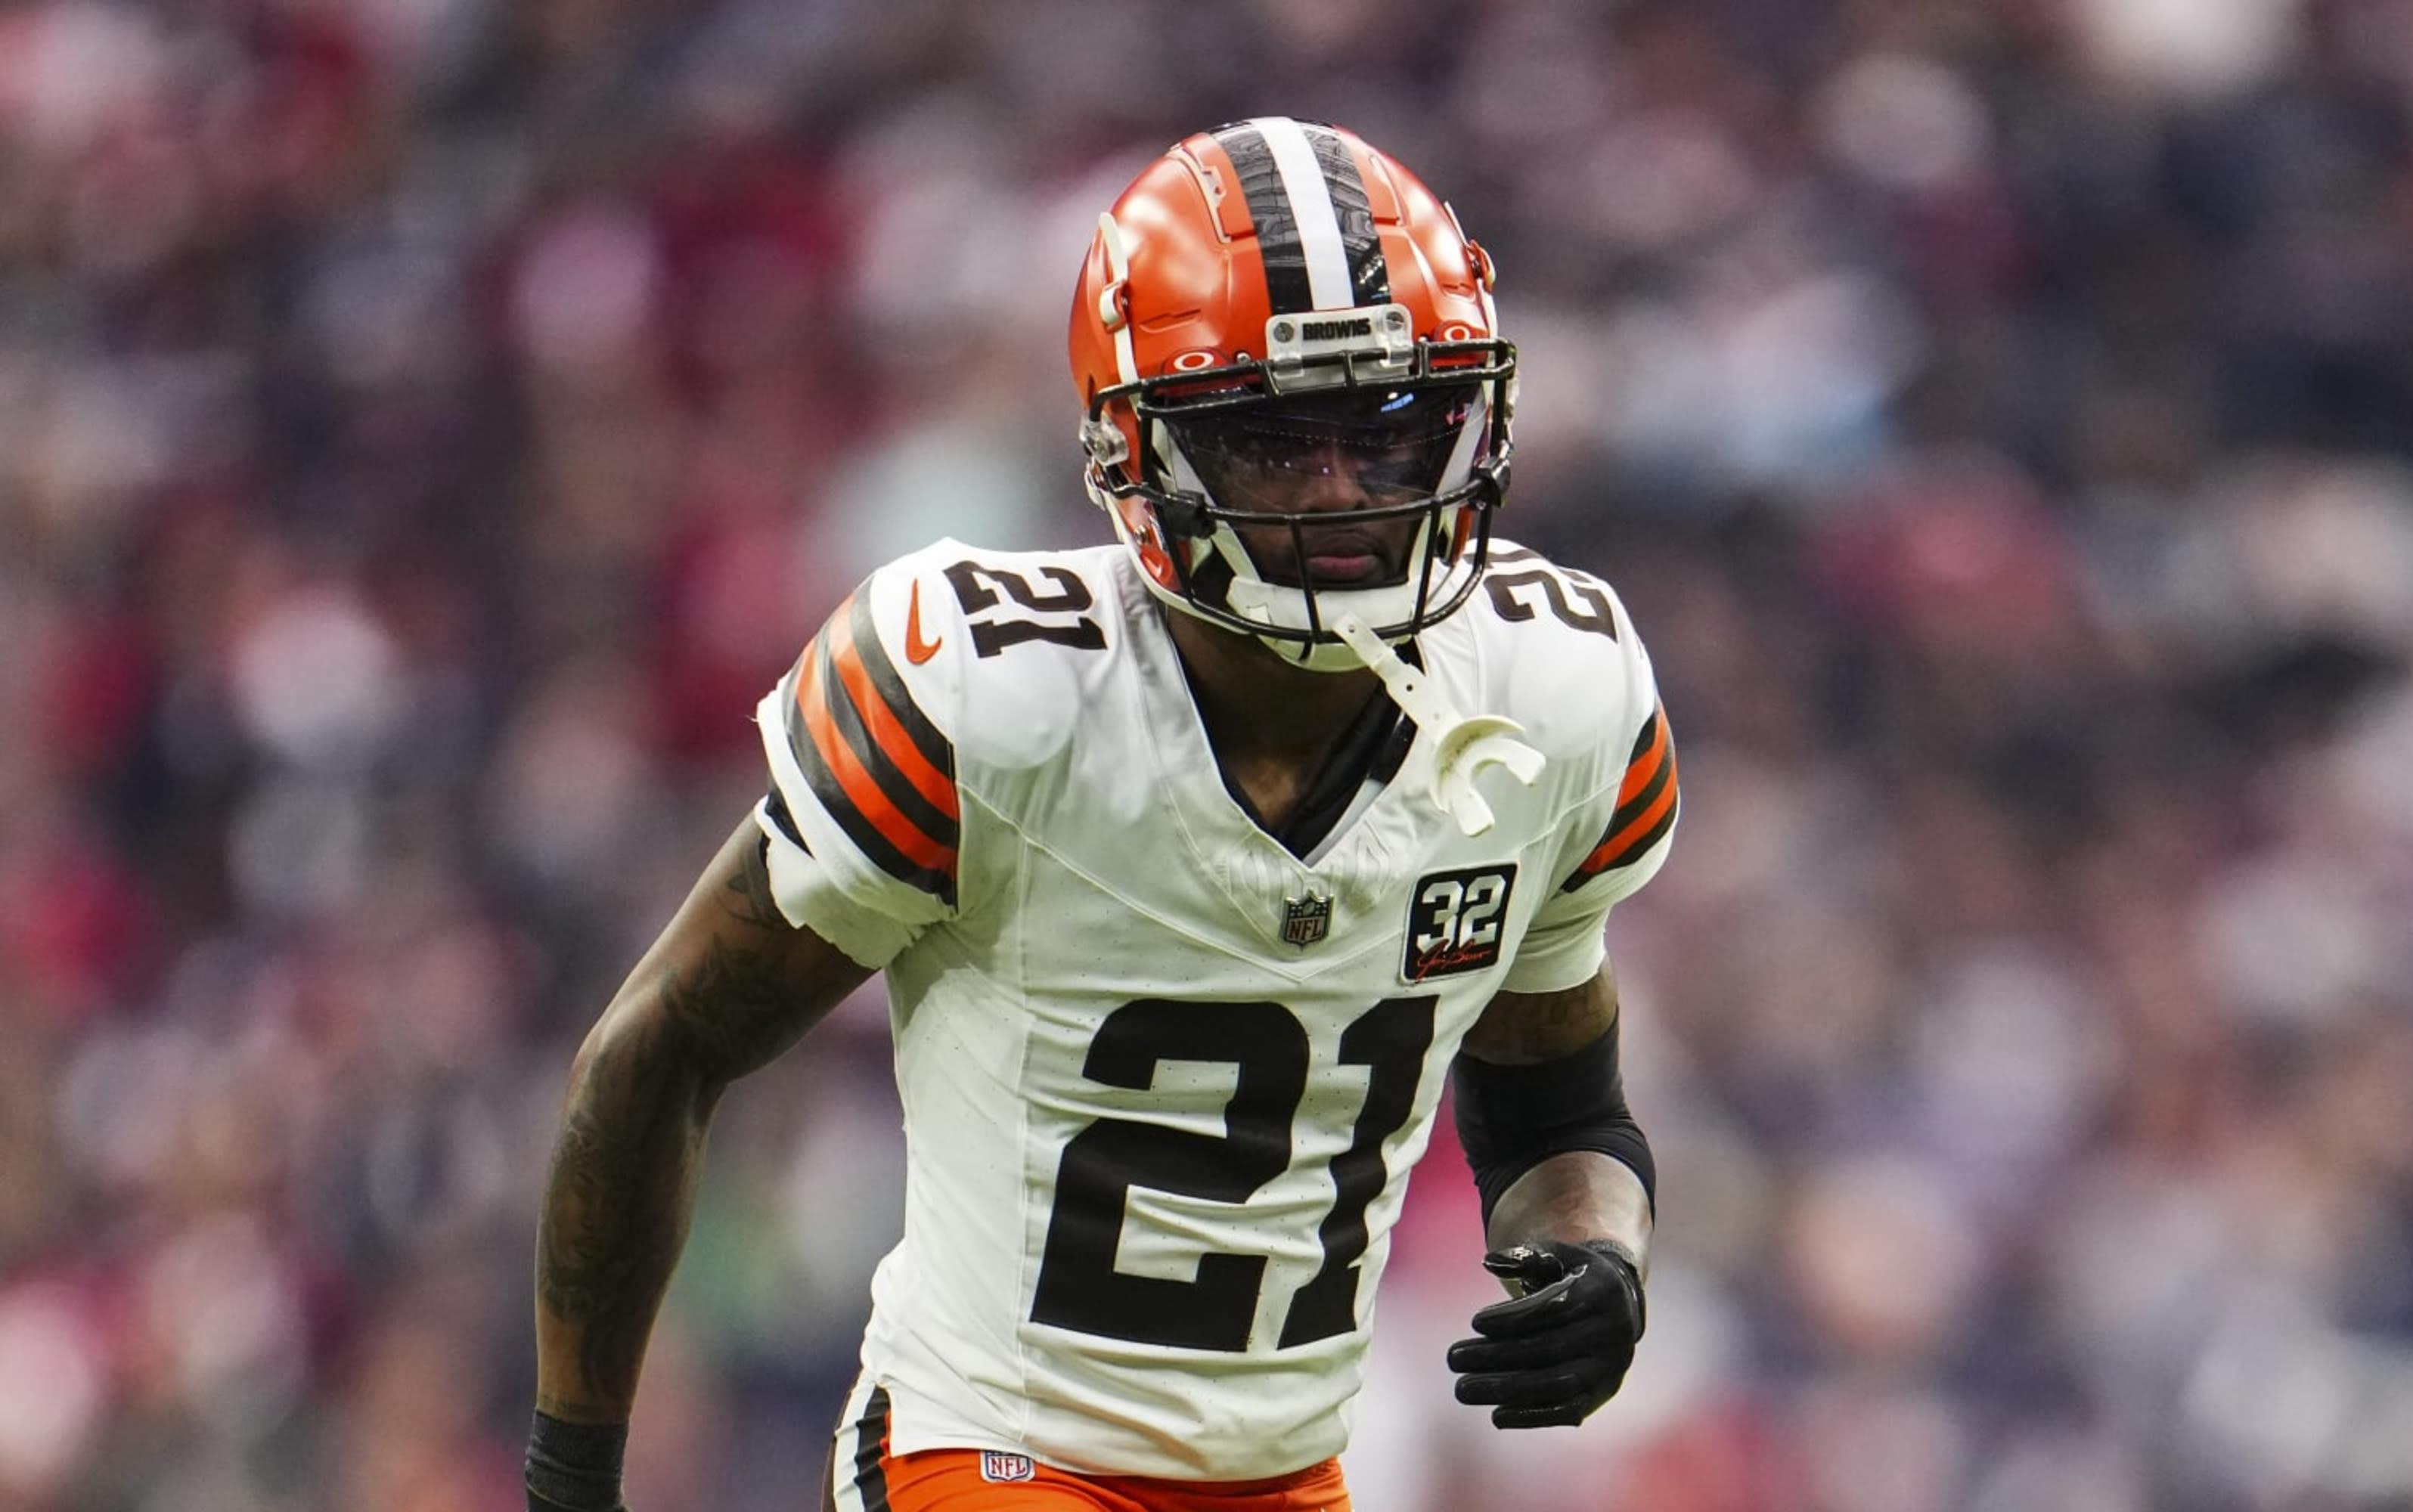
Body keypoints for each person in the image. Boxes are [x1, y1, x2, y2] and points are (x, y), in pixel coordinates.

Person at [525, 117, 1677, 1512]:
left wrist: (1599, 1251)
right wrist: (570, 1476)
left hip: (1288, 1474)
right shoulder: (995, 698)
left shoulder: (1553, 695)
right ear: (1140, 450)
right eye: (1269, 440)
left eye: (1387, 428)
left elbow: (1559, 1100)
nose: (1340, 495)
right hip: (993, 1448)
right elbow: (663, 1046)